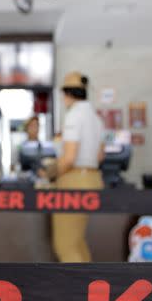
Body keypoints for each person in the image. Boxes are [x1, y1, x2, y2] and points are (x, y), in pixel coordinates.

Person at [53, 71, 105, 262]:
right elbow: (100, 156)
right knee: (77, 241)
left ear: (67, 94)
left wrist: (50, 173)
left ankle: (76, 290)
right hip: (93, 179)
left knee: (65, 244)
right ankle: (88, 286)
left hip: (74, 181)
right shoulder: (95, 117)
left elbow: (69, 158)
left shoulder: (74, 116)